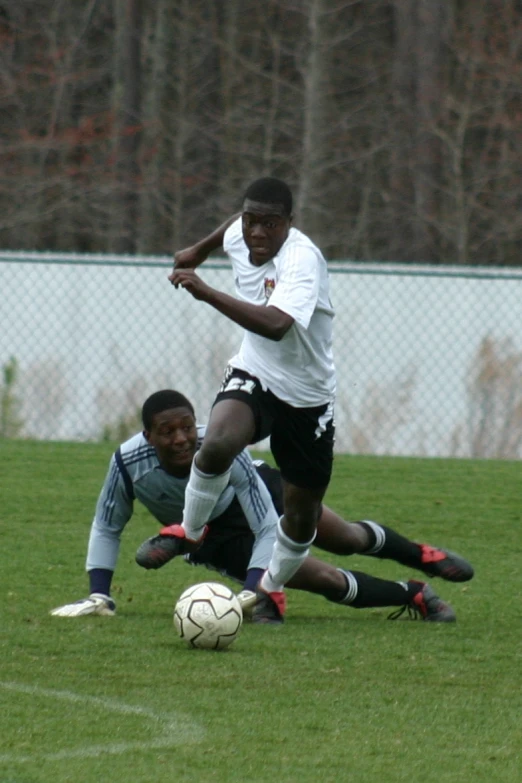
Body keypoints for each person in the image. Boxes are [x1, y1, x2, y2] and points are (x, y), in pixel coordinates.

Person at [50, 390, 473, 622]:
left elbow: (267, 525)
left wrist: (255, 590)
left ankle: (423, 556)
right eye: (166, 432)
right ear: (147, 435)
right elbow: (107, 527)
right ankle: (414, 595)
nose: (181, 439)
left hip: (261, 493)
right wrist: (99, 596)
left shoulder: (218, 448)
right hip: (218, 538)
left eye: (186, 427)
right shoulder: (127, 463)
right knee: (323, 578)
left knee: (342, 537)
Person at [168, 177, 337, 623]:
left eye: (270, 224)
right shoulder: (241, 233)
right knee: (218, 442)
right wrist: (198, 251)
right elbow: (230, 228)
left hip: (307, 397)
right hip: (255, 373)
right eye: (250, 221)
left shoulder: (302, 260)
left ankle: (271, 588)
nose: (257, 233)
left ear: (288, 224)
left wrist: (206, 291)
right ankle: (190, 531)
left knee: (303, 514)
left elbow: (277, 323)